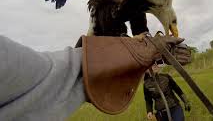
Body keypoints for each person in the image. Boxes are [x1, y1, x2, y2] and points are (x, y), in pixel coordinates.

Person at [0, 34, 190, 121]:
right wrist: (134, 53)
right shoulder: (147, 83)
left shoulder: (165, 77)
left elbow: (43, 76)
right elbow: (45, 76)